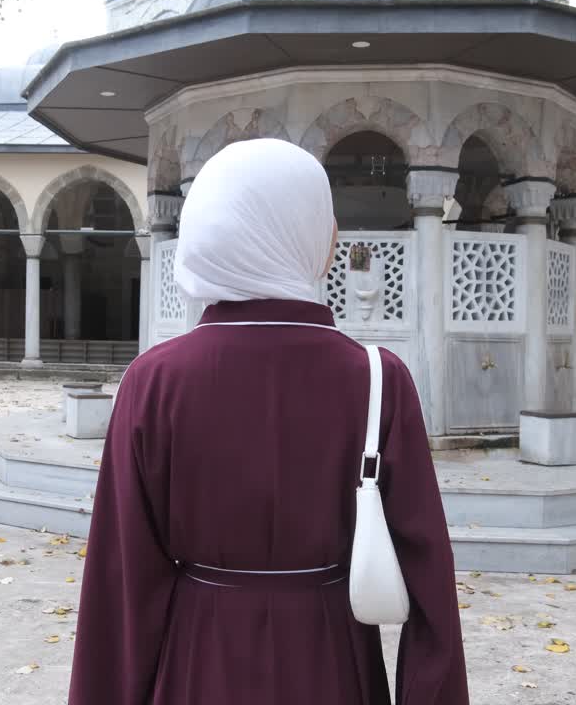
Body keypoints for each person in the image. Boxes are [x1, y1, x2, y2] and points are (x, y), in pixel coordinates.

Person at [68, 138, 469, 705]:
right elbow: (430, 586)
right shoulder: (379, 380)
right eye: (324, 218)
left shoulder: (152, 383)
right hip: (333, 666)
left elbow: (121, 589)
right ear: (298, 232)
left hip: (196, 667)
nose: (333, 235)